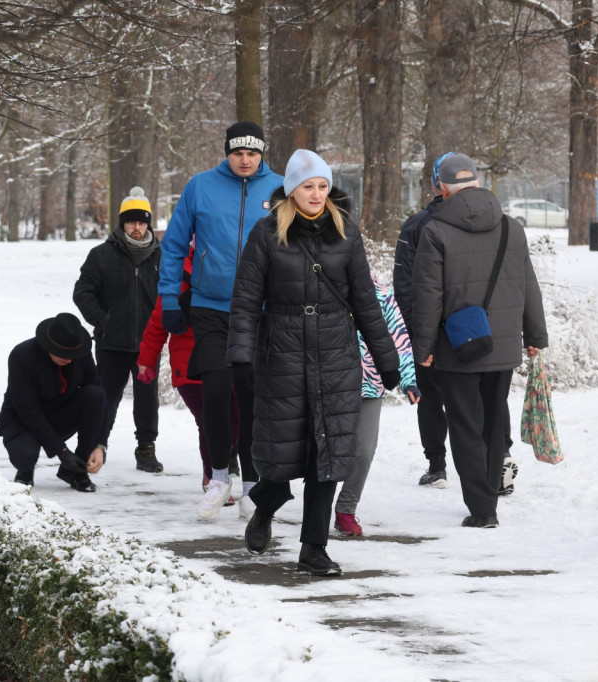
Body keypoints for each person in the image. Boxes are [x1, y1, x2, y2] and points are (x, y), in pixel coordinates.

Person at [227, 149, 400, 577]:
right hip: (282, 353)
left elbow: (365, 303)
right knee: (282, 455)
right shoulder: (267, 235)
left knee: (327, 455)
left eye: (322, 186)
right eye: (308, 186)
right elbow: (246, 302)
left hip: (336, 356)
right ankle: (265, 510)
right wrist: (240, 355)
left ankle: (313, 548)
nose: (317, 194)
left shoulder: (347, 234)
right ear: (292, 190)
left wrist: (388, 358)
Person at [410, 153, 548, 529]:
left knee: (465, 426)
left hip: (457, 347)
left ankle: (483, 509)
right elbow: (528, 285)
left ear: (442, 187)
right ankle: (490, 494)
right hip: (502, 347)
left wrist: (421, 349)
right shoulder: (510, 227)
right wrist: (535, 335)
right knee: (491, 422)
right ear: (476, 182)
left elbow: (427, 297)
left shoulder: (434, 231)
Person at [157, 121, 283, 519]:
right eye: (237, 153)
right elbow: (175, 244)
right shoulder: (200, 186)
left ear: (262, 154)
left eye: (252, 153)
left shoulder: (281, 189)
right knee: (214, 389)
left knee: (250, 396)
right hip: (209, 306)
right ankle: (218, 477)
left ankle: (251, 484)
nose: (245, 160)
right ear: (227, 153)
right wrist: (169, 299)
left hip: (260, 310)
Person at [136, 245, 243, 510]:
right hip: (189, 361)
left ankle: (221, 466)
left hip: (225, 358)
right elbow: (158, 321)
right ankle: (213, 478)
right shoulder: (176, 276)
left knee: (236, 422)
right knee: (210, 421)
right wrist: (146, 361)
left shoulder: (235, 267)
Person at [73, 187, 162, 473]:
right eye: (130, 221)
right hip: (111, 343)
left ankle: (146, 448)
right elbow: (83, 291)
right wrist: (103, 321)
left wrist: (164, 324)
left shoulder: (161, 256)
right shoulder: (101, 255)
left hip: (148, 342)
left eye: (142, 221)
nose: (136, 227)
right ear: (121, 223)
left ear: (148, 223)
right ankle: (96, 445)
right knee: (105, 397)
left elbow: (171, 293)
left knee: (147, 399)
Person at [333, 274, 421, 536]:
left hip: (369, 384)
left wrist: (408, 380)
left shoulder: (380, 294)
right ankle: (315, 507)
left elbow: (399, 338)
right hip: (328, 384)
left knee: (363, 450)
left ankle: (346, 509)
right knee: (322, 449)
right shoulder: (321, 286)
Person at [0, 313, 109, 492]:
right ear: (48, 346)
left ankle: (77, 471)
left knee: (94, 394)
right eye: (64, 354)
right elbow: (27, 409)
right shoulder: (22, 355)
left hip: (60, 415)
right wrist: (62, 452)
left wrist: (100, 445)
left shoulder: (81, 352)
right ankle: (25, 470)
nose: (69, 359)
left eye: (73, 354)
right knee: (24, 455)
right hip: (23, 419)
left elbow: (100, 397)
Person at [394, 152, 453, 489]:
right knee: (472, 399)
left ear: (435, 184)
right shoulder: (491, 223)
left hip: (427, 329)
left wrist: (411, 331)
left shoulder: (417, 225)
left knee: (431, 398)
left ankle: (437, 465)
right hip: (468, 330)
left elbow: (403, 284)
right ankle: (491, 459)